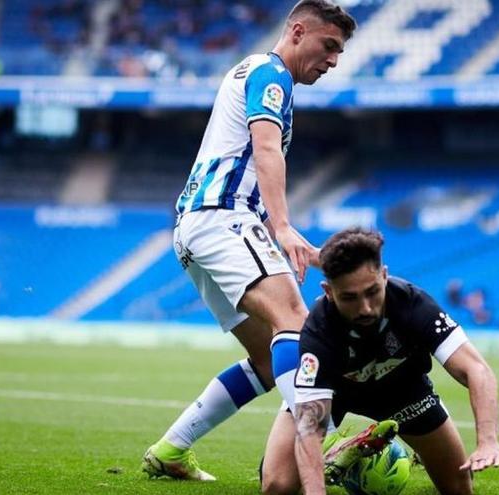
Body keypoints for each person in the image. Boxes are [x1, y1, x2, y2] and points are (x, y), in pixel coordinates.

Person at [141, 0, 357, 484]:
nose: (333, 61)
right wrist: (280, 226)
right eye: (329, 46)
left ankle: (171, 448)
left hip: (197, 228)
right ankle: (310, 459)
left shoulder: (255, 72)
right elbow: (263, 147)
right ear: (298, 31)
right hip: (224, 219)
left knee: (265, 357)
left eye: (339, 52)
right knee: (296, 323)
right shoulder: (271, 74)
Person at [271, 228, 499, 495]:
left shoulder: (413, 304)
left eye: (372, 292)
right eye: (350, 297)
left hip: (402, 390)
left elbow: (475, 369)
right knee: (279, 485)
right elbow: (310, 428)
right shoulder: (318, 330)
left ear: (384, 275)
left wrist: (487, 441)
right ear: (329, 291)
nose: (365, 308)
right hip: (335, 393)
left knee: (458, 488)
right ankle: (342, 449)